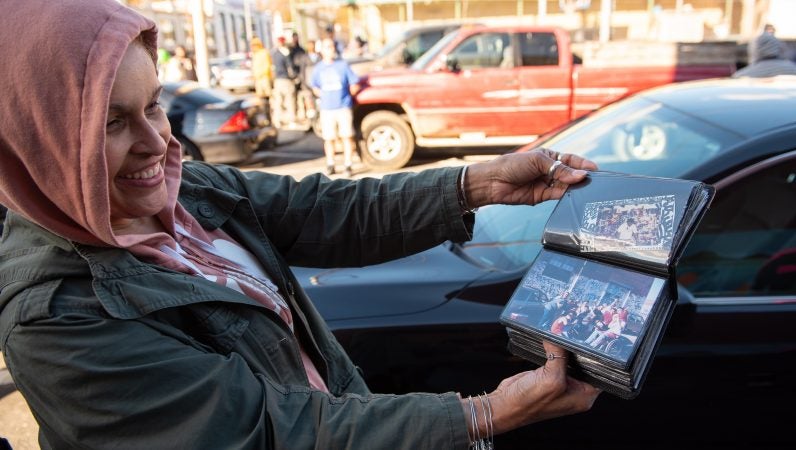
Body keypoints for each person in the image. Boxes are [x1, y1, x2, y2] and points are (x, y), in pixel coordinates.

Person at [0, 1, 601, 448]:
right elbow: (267, 431)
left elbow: (327, 211)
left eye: (154, 103)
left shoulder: (189, 190)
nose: (157, 142)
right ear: (37, 140)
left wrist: (476, 185)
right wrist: (481, 416)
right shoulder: (56, 316)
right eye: (111, 123)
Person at [311, 37, 361, 177]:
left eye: (332, 46)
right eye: (327, 46)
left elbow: (354, 83)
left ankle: (348, 164)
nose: (330, 49)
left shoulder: (342, 66)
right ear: (322, 50)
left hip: (343, 107)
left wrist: (349, 95)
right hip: (327, 108)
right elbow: (314, 86)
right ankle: (331, 164)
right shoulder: (318, 69)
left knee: (347, 136)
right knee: (329, 138)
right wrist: (323, 95)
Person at [270, 36, 298, 128]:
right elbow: (290, 68)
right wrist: (294, 77)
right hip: (286, 80)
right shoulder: (286, 53)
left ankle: (277, 120)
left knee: (278, 101)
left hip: (277, 80)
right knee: (289, 100)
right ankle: (291, 120)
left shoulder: (274, 53)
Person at [250, 37, 273, 106]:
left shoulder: (264, 53)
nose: (252, 48)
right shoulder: (255, 54)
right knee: (260, 96)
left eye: (253, 46)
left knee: (267, 95)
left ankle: (269, 109)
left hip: (264, 77)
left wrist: (261, 74)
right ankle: (263, 109)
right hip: (258, 78)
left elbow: (267, 66)